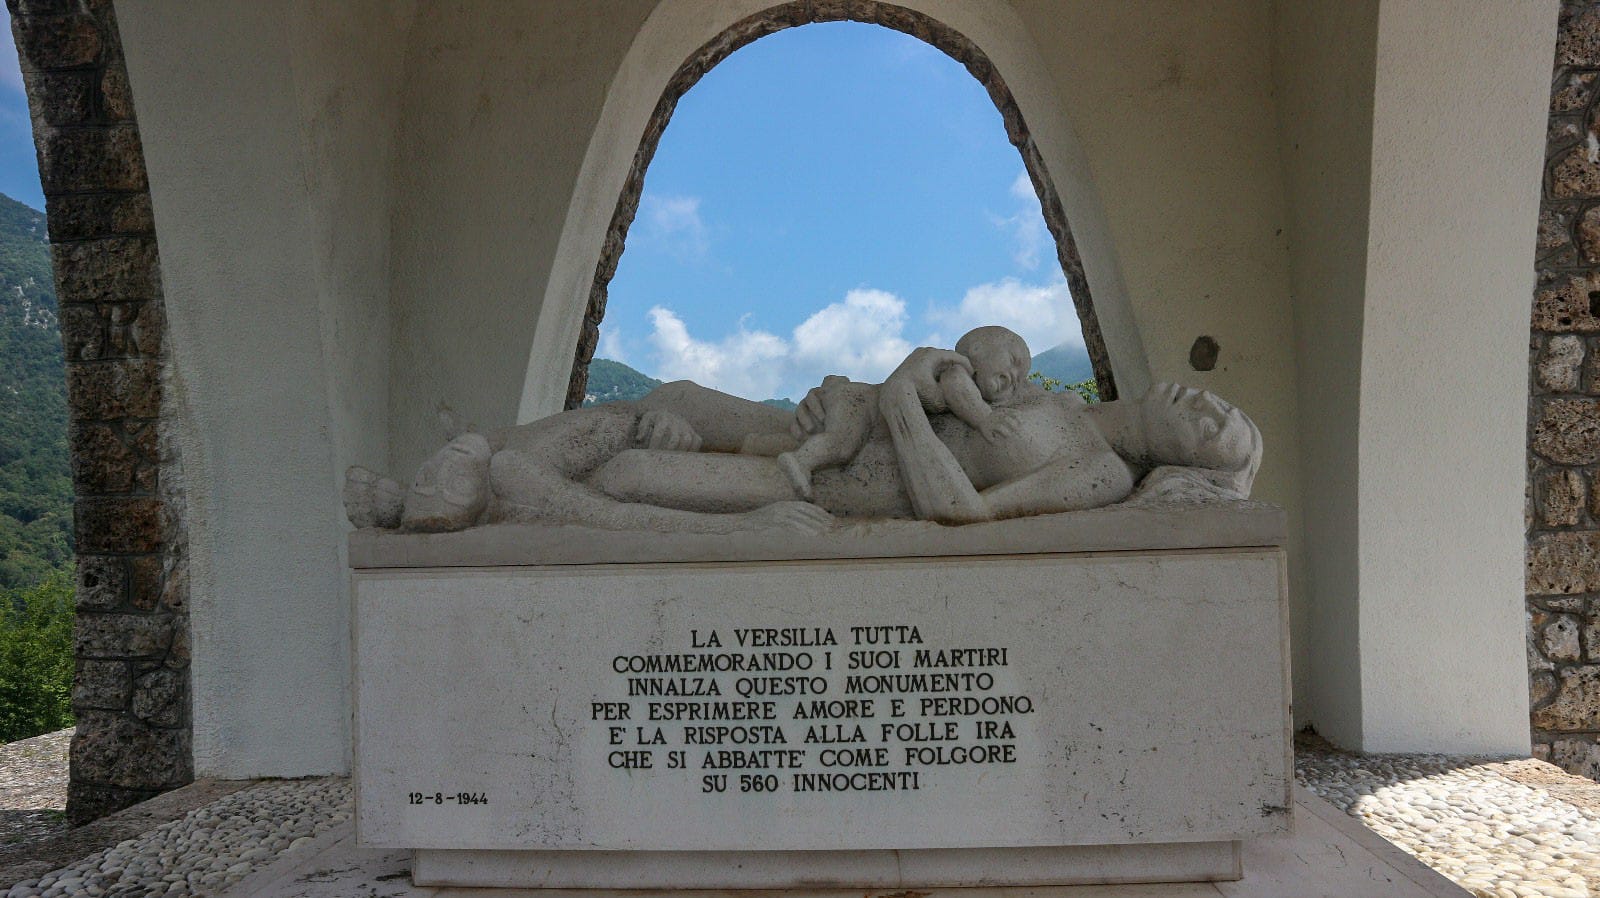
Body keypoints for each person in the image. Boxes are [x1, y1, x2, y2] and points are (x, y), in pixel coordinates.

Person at [344, 343, 1261, 534]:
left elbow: (962, 510)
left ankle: (483, 486)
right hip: (826, 431)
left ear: (1185, 460)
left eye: (1214, 430)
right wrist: (864, 391)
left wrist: (901, 391)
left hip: (831, 487)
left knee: (634, 460)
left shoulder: (1097, 472)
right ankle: (473, 462)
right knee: (673, 395)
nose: (1207, 405)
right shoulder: (1055, 393)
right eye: (1222, 406)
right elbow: (957, 384)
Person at [774, 326, 1031, 500]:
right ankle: (801, 462)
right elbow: (957, 390)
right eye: (1014, 361)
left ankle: (774, 447)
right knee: (841, 445)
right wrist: (985, 418)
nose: (1015, 378)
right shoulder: (956, 369)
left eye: (1020, 380)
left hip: (866, 408)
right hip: (860, 403)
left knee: (836, 443)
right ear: (978, 350)